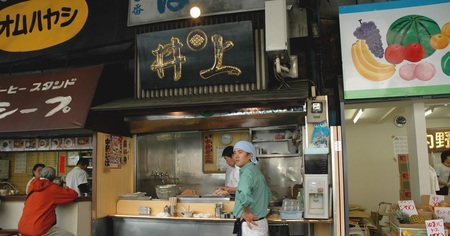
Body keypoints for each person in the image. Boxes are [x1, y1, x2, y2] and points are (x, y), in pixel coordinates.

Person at [18, 167, 78, 236]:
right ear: (53, 177)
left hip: (22, 227)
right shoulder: (53, 188)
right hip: (38, 229)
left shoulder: (32, 185)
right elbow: (74, 195)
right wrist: (65, 188)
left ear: (41, 174)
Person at [232, 141, 271, 236]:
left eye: (240, 152)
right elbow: (269, 195)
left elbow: (244, 194)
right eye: (234, 153)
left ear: (249, 156)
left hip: (250, 224)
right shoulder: (256, 171)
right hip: (260, 223)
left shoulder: (247, 173)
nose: (236, 156)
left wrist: (246, 212)